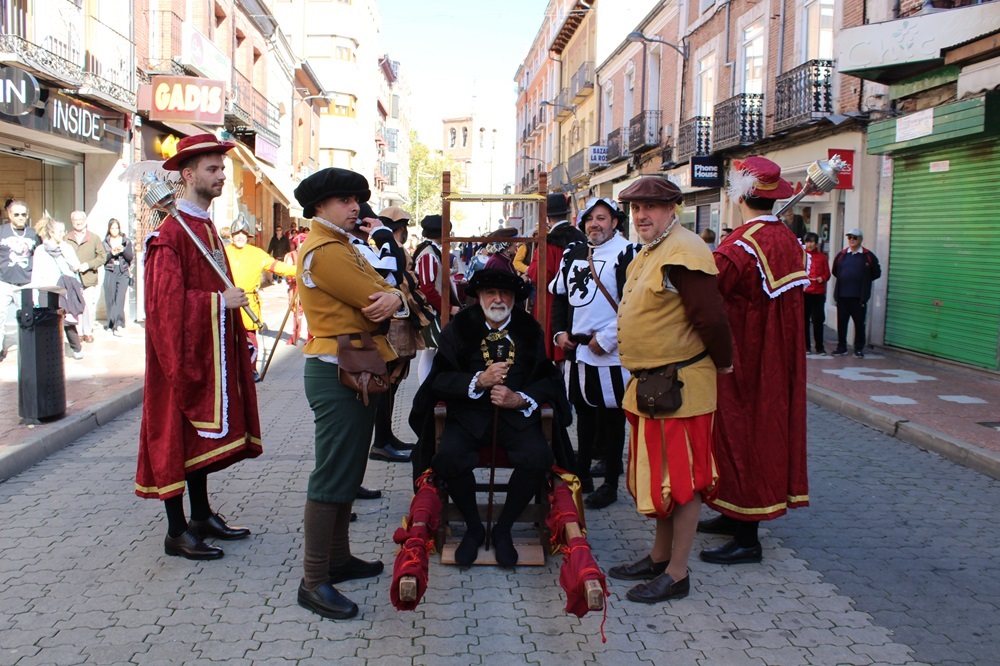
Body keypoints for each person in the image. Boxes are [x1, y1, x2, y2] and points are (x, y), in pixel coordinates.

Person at [136, 133, 262, 562]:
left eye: (222, 168)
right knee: (174, 434)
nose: (221, 176)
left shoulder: (204, 226)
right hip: (177, 356)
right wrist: (216, 302)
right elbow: (163, 306)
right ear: (188, 176)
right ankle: (176, 531)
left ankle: (202, 515)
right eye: (213, 169)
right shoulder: (169, 235)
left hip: (210, 350)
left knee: (198, 437)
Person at [608, 177, 733, 604]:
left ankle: (677, 574)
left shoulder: (685, 251)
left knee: (684, 482)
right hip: (651, 387)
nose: (641, 215)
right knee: (660, 478)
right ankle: (659, 557)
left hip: (681, 388)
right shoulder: (650, 251)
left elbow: (711, 319)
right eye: (635, 208)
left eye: (651, 207)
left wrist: (726, 362)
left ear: (672, 208)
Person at [291, 167, 408, 619]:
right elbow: (375, 296)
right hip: (338, 366)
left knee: (348, 467)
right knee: (334, 472)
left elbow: (392, 294)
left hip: (353, 364)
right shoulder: (327, 251)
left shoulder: (341, 245)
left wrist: (395, 295)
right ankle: (314, 579)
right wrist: (395, 295)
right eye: (343, 199)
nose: (355, 206)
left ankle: (337, 559)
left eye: (357, 198)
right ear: (319, 207)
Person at [409, 268, 572, 567]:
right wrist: (477, 381)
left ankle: (503, 528)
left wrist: (519, 398)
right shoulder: (459, 327)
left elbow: (548, 379)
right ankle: (473, 527)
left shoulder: (529, 328)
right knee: (447, 457)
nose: (498, 299)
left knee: (539, 457)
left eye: (505, 294)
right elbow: (439, 378)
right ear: (479, 297)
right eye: (490, 294)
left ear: (513, 299)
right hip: (468, 417)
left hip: (516, 417)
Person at [698, 156, 810, 565]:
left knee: (741, 436)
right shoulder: (786, 239)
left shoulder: (742, 246)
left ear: (743, 193)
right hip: (776, 358)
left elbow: (708, 292)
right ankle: (733, 514)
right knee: (759, 433)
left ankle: (747, 537)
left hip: (743, 357)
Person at [550, 197, 633, 509]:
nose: (594, 224)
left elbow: (633, 304)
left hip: (609, 352)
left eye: (602, 218)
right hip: (578, 352)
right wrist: (559, 332)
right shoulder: (573, 251)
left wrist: (608, 338)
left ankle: (611, 482)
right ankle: (581, 474)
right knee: (583, 416)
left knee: (611, 419)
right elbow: (559, 296)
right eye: (589, 219)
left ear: (614, 222)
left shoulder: (627, 252)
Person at [224, 215, 296, 376]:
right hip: (227, 302)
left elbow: (278, 267)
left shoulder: (257, 254)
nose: (240, 236)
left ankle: (251, 370)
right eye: (237, 233)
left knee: (250, 338)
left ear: (248, 236)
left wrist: (299, 271)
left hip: (248, 302)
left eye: (243, 233)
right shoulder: (223, 252)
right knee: (227, 338)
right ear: (232, 236)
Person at [527, 192, 586, 361]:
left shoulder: (548, 241)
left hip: (552, 301)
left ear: (548, 218)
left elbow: (540, 275)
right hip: (578, 298)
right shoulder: (582, 237)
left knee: (551, 351)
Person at [29, 217, 85, 359]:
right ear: (51, 232)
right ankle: (50, 350)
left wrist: (65, 251)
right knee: (48, 320)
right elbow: (36, 273)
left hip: (64, 289)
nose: (62, 234)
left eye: (63, 231)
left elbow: (75, 266)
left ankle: (76, 348)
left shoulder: (66, 247)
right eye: (59, 231)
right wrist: (34, 295)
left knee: (68, 319)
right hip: (46, 289)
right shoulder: (41, 250)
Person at [414, 214, 460, 383]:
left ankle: (425, 387)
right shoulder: (429, 254)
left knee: (430, 351)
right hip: (431, 310)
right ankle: (425, 388)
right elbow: (427, 288)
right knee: (431, 350)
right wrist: (447, 308)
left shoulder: (430, 251)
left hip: (433, 309)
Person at [831, 227, 881, 359]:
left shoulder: (868, 256)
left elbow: (876, 273)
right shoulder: (841, 255)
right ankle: (841, 347)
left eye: (855, 238)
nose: (852, 240)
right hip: (842, 296)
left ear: (860, 239)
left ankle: (858, 349)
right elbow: (835, 271)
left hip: (859, 298)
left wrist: (863, 282)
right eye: (850, 238)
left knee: (859, 324)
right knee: (841, 324)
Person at [0, 199, 39, 361]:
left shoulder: (33, 234)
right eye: (16, 214)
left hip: (26, 283)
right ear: (9, 215)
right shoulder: (2, 231)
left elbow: (39, 256)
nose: (20, 217)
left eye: (23, 214)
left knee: (28, 318)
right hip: (4, 282)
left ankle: (28, 349)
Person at [66, 211, 106, 344]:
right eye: (75, 219)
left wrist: (88, 265)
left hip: (89, 278)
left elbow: (102, 257)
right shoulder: (67, 238)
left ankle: (87, 332)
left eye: (80, 219)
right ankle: (78, 333)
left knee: (88, 306)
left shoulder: (94, 238)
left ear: (85, 220)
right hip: (72, 280)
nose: (78, 222)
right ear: (72, 222)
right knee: (74, 307)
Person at [102, 218, 134, 336]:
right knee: (110, 298)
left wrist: (123, 250)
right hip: (110, 270)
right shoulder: (105, 242)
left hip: (123, 271)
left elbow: (130, 257)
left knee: (120, 298)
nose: (114, 230)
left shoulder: (126, 241)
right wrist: (112, 253)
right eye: (112, 228)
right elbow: (102, 258)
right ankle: (111, 323)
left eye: (116, 228)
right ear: (109, 229)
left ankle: (119, 324)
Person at [803, 231, 831, 355]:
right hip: (805, 292)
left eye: (812, 242)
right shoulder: (801, 256)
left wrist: (822, 278)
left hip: (818, 293)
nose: (810, 244)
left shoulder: (822, 257)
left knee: (818, 320)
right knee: (804, 320)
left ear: (816, 243)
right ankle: (806, 347)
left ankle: (819, 347)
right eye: (808, 242)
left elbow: (827, 273)